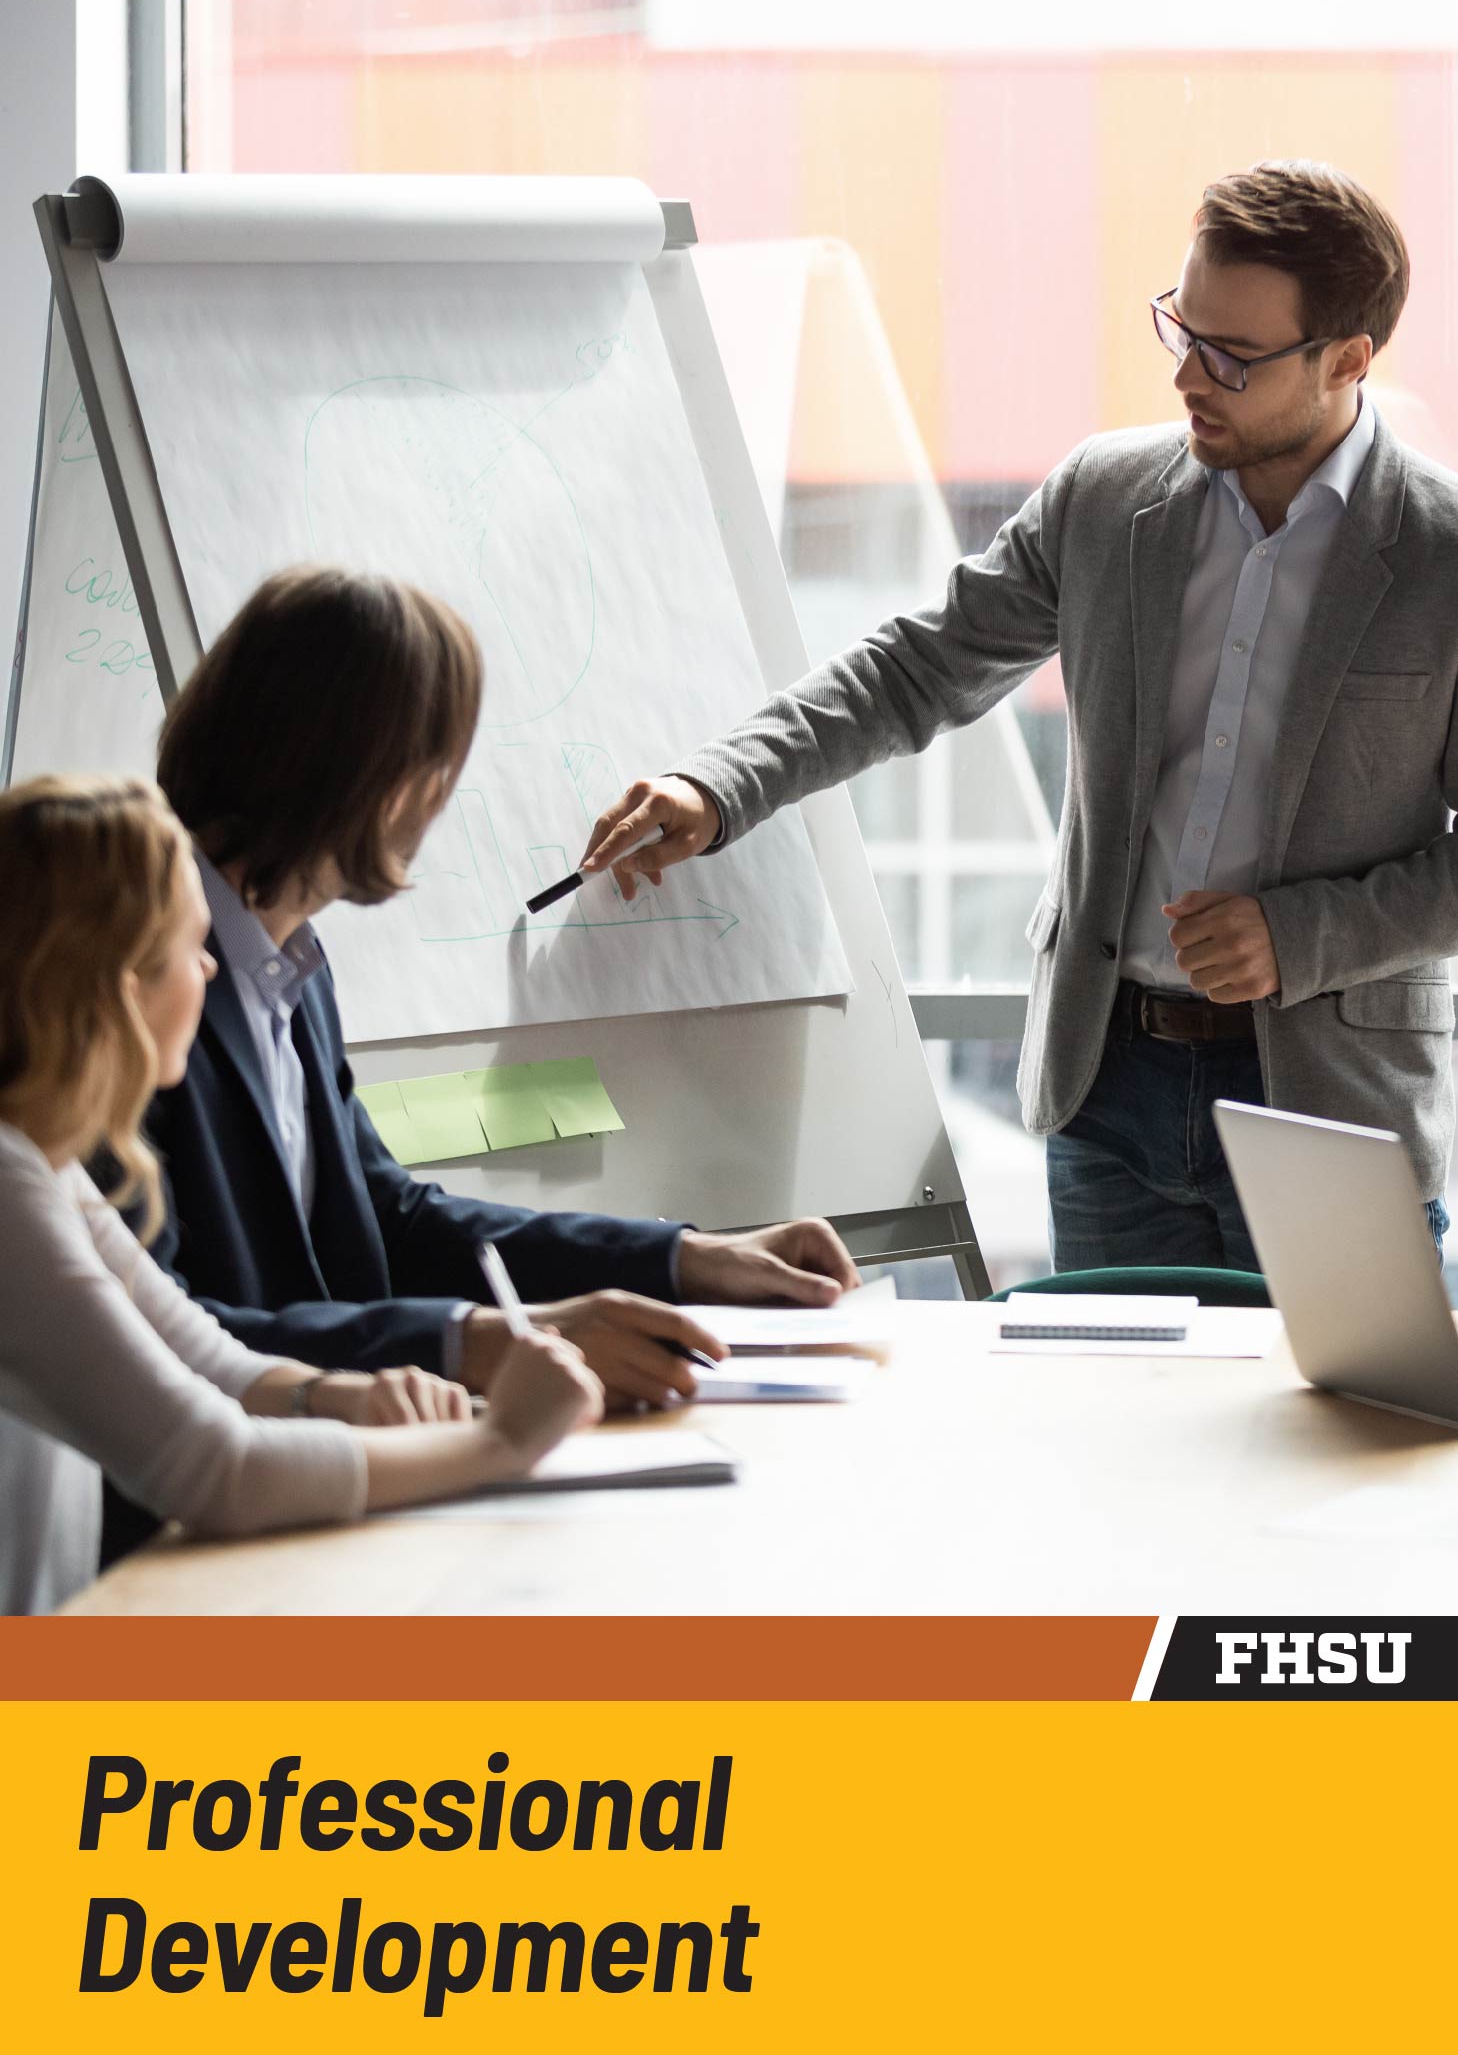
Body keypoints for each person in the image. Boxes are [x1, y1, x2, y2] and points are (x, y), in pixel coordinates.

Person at [581, 159, 1458, 1274]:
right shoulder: (1105, 498)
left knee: (1346, 1395)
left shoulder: (1440, 553)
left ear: (1347, 360)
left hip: (1334, 1109)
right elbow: (917, 667)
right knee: (1099, 1391)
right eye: (1181, 329)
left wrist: (1300, 936)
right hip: (1107, 1087)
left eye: (1232, 356)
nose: (1188, 374)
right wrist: (722, 783)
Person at [140, 566, 857, 1414]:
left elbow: (389, 1218)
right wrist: (486, 1342)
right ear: (377, 777)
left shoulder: (289, 960)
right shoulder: (131, 978)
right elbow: (160, 1335)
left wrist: (685, 1260)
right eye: (439, 765)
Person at [0, 776, 602, 1614]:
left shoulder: (43, 1167)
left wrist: (341, 1394)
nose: (210, 969)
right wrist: (502, 1440)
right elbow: (218, 1469)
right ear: (119, 983)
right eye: (192, 945)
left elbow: (206, 1358)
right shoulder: (8, 1185)